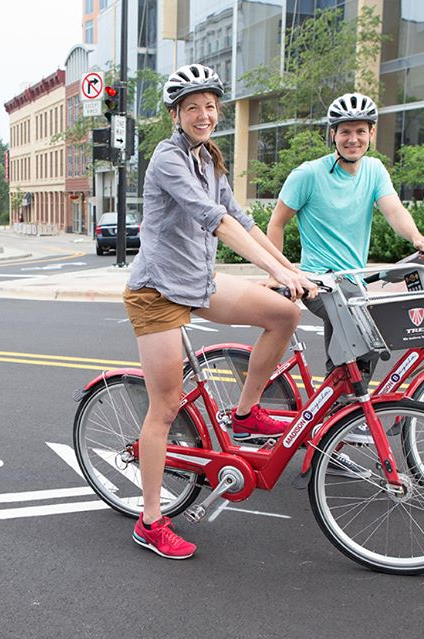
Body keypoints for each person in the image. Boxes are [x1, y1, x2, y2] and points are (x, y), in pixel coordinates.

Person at [124, 64, 317, 560]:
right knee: (166, 407)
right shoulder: (167, 160)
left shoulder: (210, 158)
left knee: (283, 314)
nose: (204, 115)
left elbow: (244, 221)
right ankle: (150, 521)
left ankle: (248, 413)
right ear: (176, 114)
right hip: (158, 293)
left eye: (210, 106)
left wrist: (288, 271)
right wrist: (277, 269)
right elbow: (216, 223)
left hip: (199, 282)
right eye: (193, 108)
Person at [266, 92, 424, 445]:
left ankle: (336, 418)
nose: (353, 139)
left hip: (352, 283)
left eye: (360, 131)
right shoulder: (309, 175)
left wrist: (416, 237)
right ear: (333, 134)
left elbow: (393, 210)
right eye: (345, 131)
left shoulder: (374, 170)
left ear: (371, 134)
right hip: (318, 281)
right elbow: (276, 224)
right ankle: (337, 418)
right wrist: (278, 272)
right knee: (362, 331)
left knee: (366, 342)